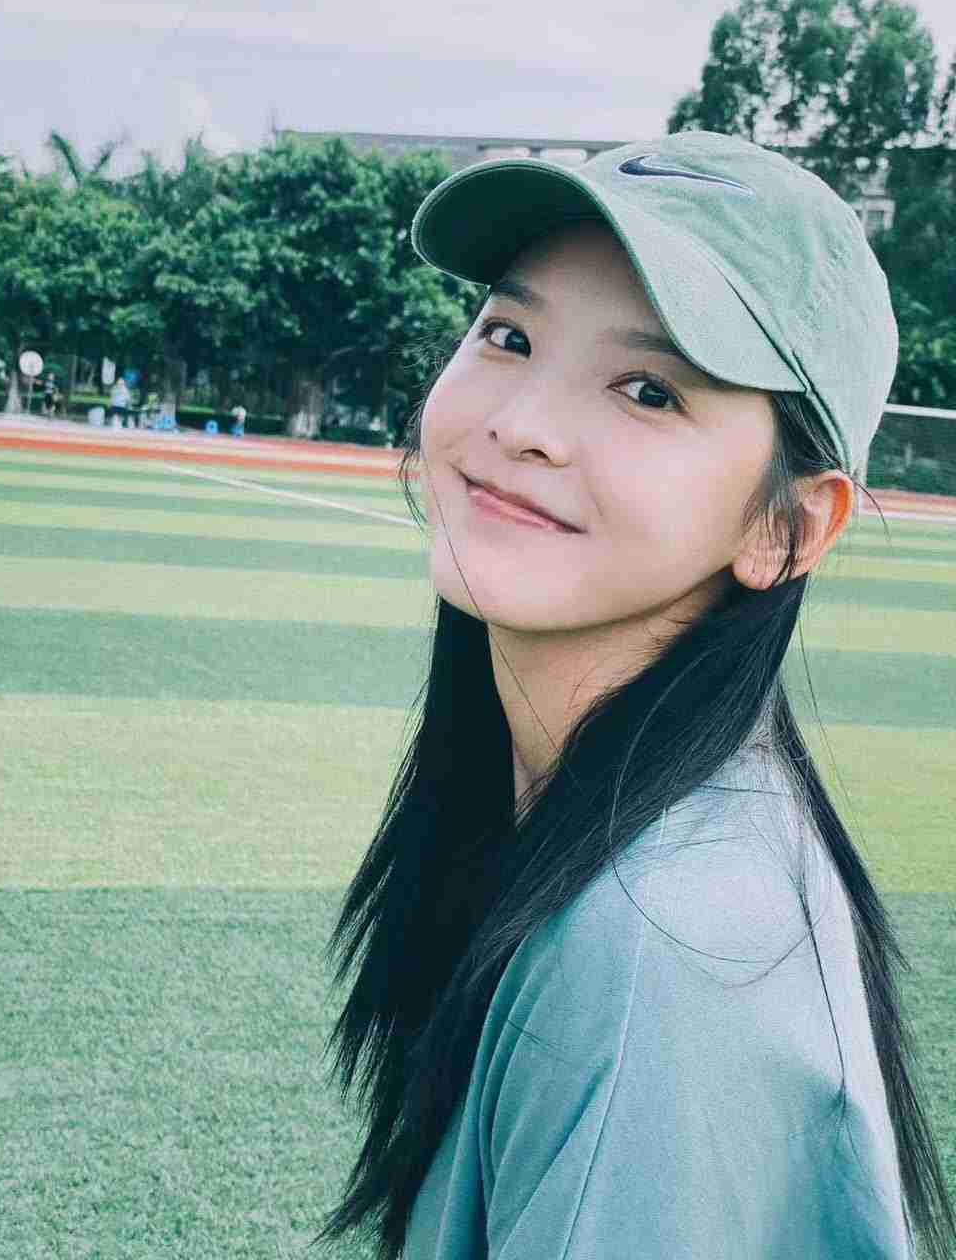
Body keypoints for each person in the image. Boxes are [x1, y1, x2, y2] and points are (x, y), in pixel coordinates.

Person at [311, 133, 955, 1260]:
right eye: (509, 337)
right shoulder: (607, 836)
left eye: (649, 390)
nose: (522, 426)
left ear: (790, 525)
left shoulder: (658, 950)